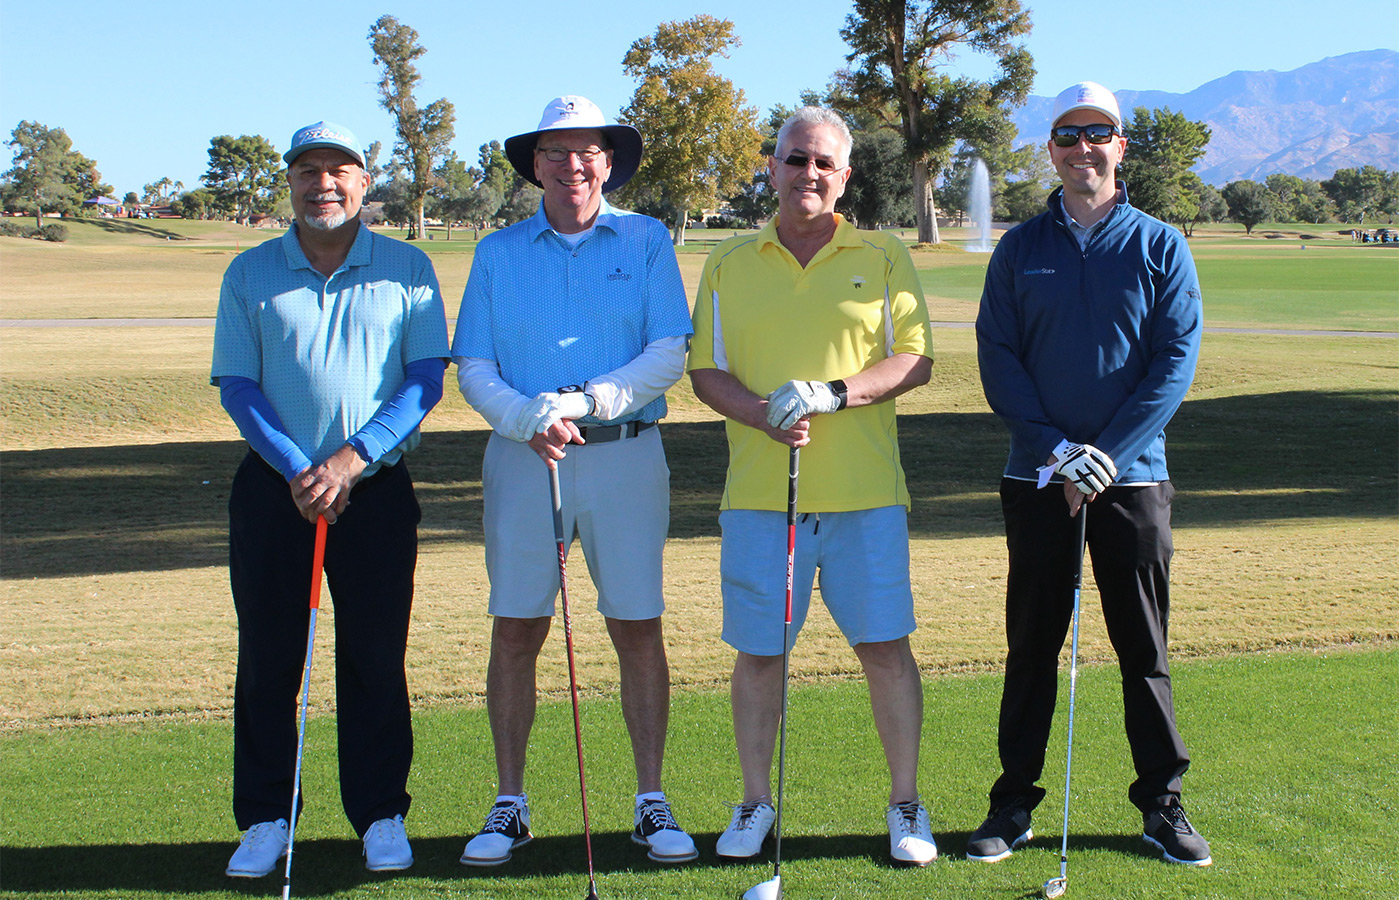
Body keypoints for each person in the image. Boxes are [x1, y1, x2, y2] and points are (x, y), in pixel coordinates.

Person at [688, 107, 938, 867]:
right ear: (771, 166)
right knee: (761, 654)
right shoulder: (730, 261)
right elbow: (706, 372)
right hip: (764, 497)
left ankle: (905, 805)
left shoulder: (885, 254)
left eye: (824, 163)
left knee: (886, 649)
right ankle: (756, 804)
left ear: (845, 175)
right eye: (796, 159)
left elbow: (915, 360)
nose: (809, 174)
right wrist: (763, 415)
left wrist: (832, 393)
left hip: (866, 496)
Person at [451, 95, 697, 867]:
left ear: (608, 162)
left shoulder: (648, 239)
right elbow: (475, 365)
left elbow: (668, 352)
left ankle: (651, 799)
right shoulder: (498, 252)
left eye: (587, 151)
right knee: (518, 625)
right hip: (526, 457)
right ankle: (510, 802)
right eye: (555, 153)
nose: (572, 165)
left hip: (624, 448)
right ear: (535, 166)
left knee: (636, 623)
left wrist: (585, 401)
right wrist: (528, 416)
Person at [971, 81, 1212, 867]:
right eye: (1068, 137)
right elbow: (998, 359)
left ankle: (1162, 804)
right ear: (1051, 150)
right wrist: (1057, 453)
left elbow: (1174, 362)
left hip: (1132, 479)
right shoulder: (1019, 250)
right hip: (1039, 480)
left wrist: (1103, 454)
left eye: (1098, 134)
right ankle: (1012, 805)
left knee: (1143, 649)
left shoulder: (1159, 245)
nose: (1083, 149)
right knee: (1031, 647)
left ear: (1121, 146)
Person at [211, 121, 450, 876]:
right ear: (290, 182)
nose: (324, 184)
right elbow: (239, 385)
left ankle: (380, 813)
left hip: (374, 491)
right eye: (309, 170)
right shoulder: (249, 273)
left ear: (362, 182)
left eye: (339, 170)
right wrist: (298, 469)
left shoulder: (408, 268)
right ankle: (266, 820)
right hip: (273, 491)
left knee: (376, 657)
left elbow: (424, 381)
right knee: (269, 660)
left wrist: (350, 462)